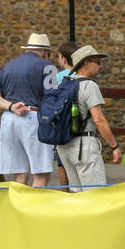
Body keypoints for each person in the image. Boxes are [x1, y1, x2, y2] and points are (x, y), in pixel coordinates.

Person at [0, 32, 58, 187]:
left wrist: (11, 106)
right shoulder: (48, 66)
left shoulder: (9, 66)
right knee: (41, 174)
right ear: (46, 53)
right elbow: (52, 99)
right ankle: (34, 209)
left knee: (19, 174)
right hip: (34, 118)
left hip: (9, 118)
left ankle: (18, 209)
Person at [55, 45, 123, 191]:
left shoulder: (64, 83)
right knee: (95, 195)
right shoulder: (89, 86)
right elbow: (99, 120)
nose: (100, 66)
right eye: (97, 62)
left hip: (64, 146)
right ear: (86, 64)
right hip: (83, 146)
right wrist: (115, 146)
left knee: (77, 196)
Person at [53, 41, 78, 190]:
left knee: (62, 162)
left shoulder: (58, 77)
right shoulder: (82, 75)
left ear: (63, 58)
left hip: (62, 123)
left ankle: (64, 191)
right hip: (78, 121)